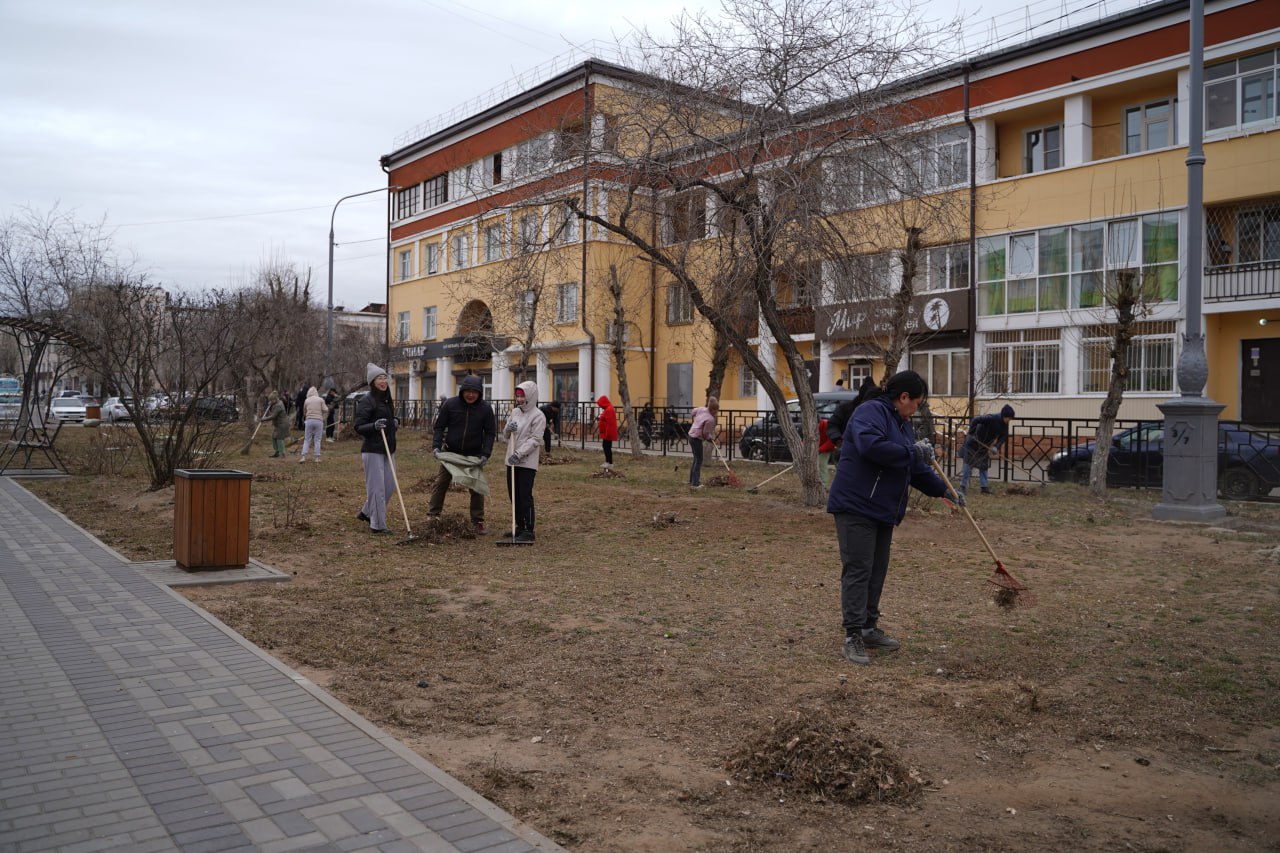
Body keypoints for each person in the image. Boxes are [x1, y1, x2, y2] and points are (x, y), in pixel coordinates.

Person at [827, 370, 950, 666]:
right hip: (856, 504)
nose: (917, 410)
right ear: (903, 397)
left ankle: (869, 627)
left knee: (877, 569)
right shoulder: (870, 413)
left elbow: (914, 468)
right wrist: (912, 452)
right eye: (917, 403)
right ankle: (853, 634)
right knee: (858, 569)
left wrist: (945, 491)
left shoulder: (902, 425)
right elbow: (873, 448)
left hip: (882, 508)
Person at [428, 375, 496, 534]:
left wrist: (485, 454)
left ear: (480, 393)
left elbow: (490, 433)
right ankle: (433, 515)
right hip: (451, 453)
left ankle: (477, 521)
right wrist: (436, 447)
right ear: (462, 391)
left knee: (476, 487)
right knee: (441, 483)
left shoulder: (485, 409)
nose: (471, 395)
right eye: (468, 391)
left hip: (473, 456)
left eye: (475, 392)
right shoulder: (450, 404)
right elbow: (439, 427)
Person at [500, 381, 546, 544]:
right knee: (514, 495)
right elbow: (505, 435)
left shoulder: (538, 416)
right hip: (511, 461)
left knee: (524, 496)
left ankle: (528, 529)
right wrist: (508, 429)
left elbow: (535, 439)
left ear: (530, 397)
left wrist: (519, 454)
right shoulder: (515, 412)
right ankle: (519, 526)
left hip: (526, 463)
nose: (519, 399)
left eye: (522, 396)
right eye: (518, 396)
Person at [354, 363, 398, 535]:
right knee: (377, 488)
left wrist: (395, 423)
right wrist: (373, 426)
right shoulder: (367, 401)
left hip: (388, 448)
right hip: (372, 450)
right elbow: (358, 426)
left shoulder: (387, 400)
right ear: (372, 382)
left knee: (389, 486)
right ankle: (377, 525)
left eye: (385, 377)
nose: (383, 381)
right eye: (380, 378)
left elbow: (389, 420)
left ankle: (366, 512)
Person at [960, 404, 1015, 495]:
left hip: (984, 445)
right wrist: (972, 433)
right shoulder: (991, 418)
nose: (1009, 420)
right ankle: (962, 486)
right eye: (1009, 418)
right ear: (1004, 416)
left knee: (984, 466)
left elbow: (1003, 437)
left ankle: (984, 488)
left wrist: (996, 447)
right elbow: (975, 420)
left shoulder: (1004, 425)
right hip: (973, 442)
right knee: (968, 464)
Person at [686, 396, 719, 489]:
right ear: (712, 409)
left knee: (696, 459)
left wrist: (697, 419)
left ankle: (692, 480)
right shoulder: (710, 419)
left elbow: (693, 412)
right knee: (699, 460)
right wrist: (709, 438)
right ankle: (695, 483)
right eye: (715, 410)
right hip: (696, 438)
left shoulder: (701, 409)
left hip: (691, 435)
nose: (716, 412)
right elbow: (705, 433)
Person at [298, 386, 328, 463]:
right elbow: (326, 409)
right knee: (317, 439)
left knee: (307, 439)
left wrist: (307, 416)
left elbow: (304, 412)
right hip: (319, 421)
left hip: (309, 420)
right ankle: (317, 458)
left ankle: (303, 457)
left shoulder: (307, 400)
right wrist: (323, 418)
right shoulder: (320, 400)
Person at [258, 391, 289, 458]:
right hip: (278, 424)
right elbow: (272, 411)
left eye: (272, 400)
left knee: (279, 438)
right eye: (270, 400)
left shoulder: (279, 405)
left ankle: (282, 453)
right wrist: (271, 404)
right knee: (274, 437)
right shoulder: (276, 403)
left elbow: (273, 416)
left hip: (282, 424)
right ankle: (277, 452)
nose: (271, 401)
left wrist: (263, 419)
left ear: (275, 399)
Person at [596, 394, 618, 468]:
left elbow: (610, 422)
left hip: (607, 433)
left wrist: (608, 433)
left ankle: (609, 462)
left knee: (606, 447)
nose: (600, 406)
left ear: (604, 402)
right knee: (606, 446)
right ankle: (608, 462)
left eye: (600, 404)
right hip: (606, 432)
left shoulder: (609, 409)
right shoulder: (607, 409)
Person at [818, 414, 837, 488]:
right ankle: (824, 485)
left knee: (840, 465)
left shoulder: (827, 425)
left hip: (835, 446)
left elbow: (832, 440)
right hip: (824, 448)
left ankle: (845, 483)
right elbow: (806, 440)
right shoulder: (810, 427)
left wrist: (820, 449)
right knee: (821, 464)